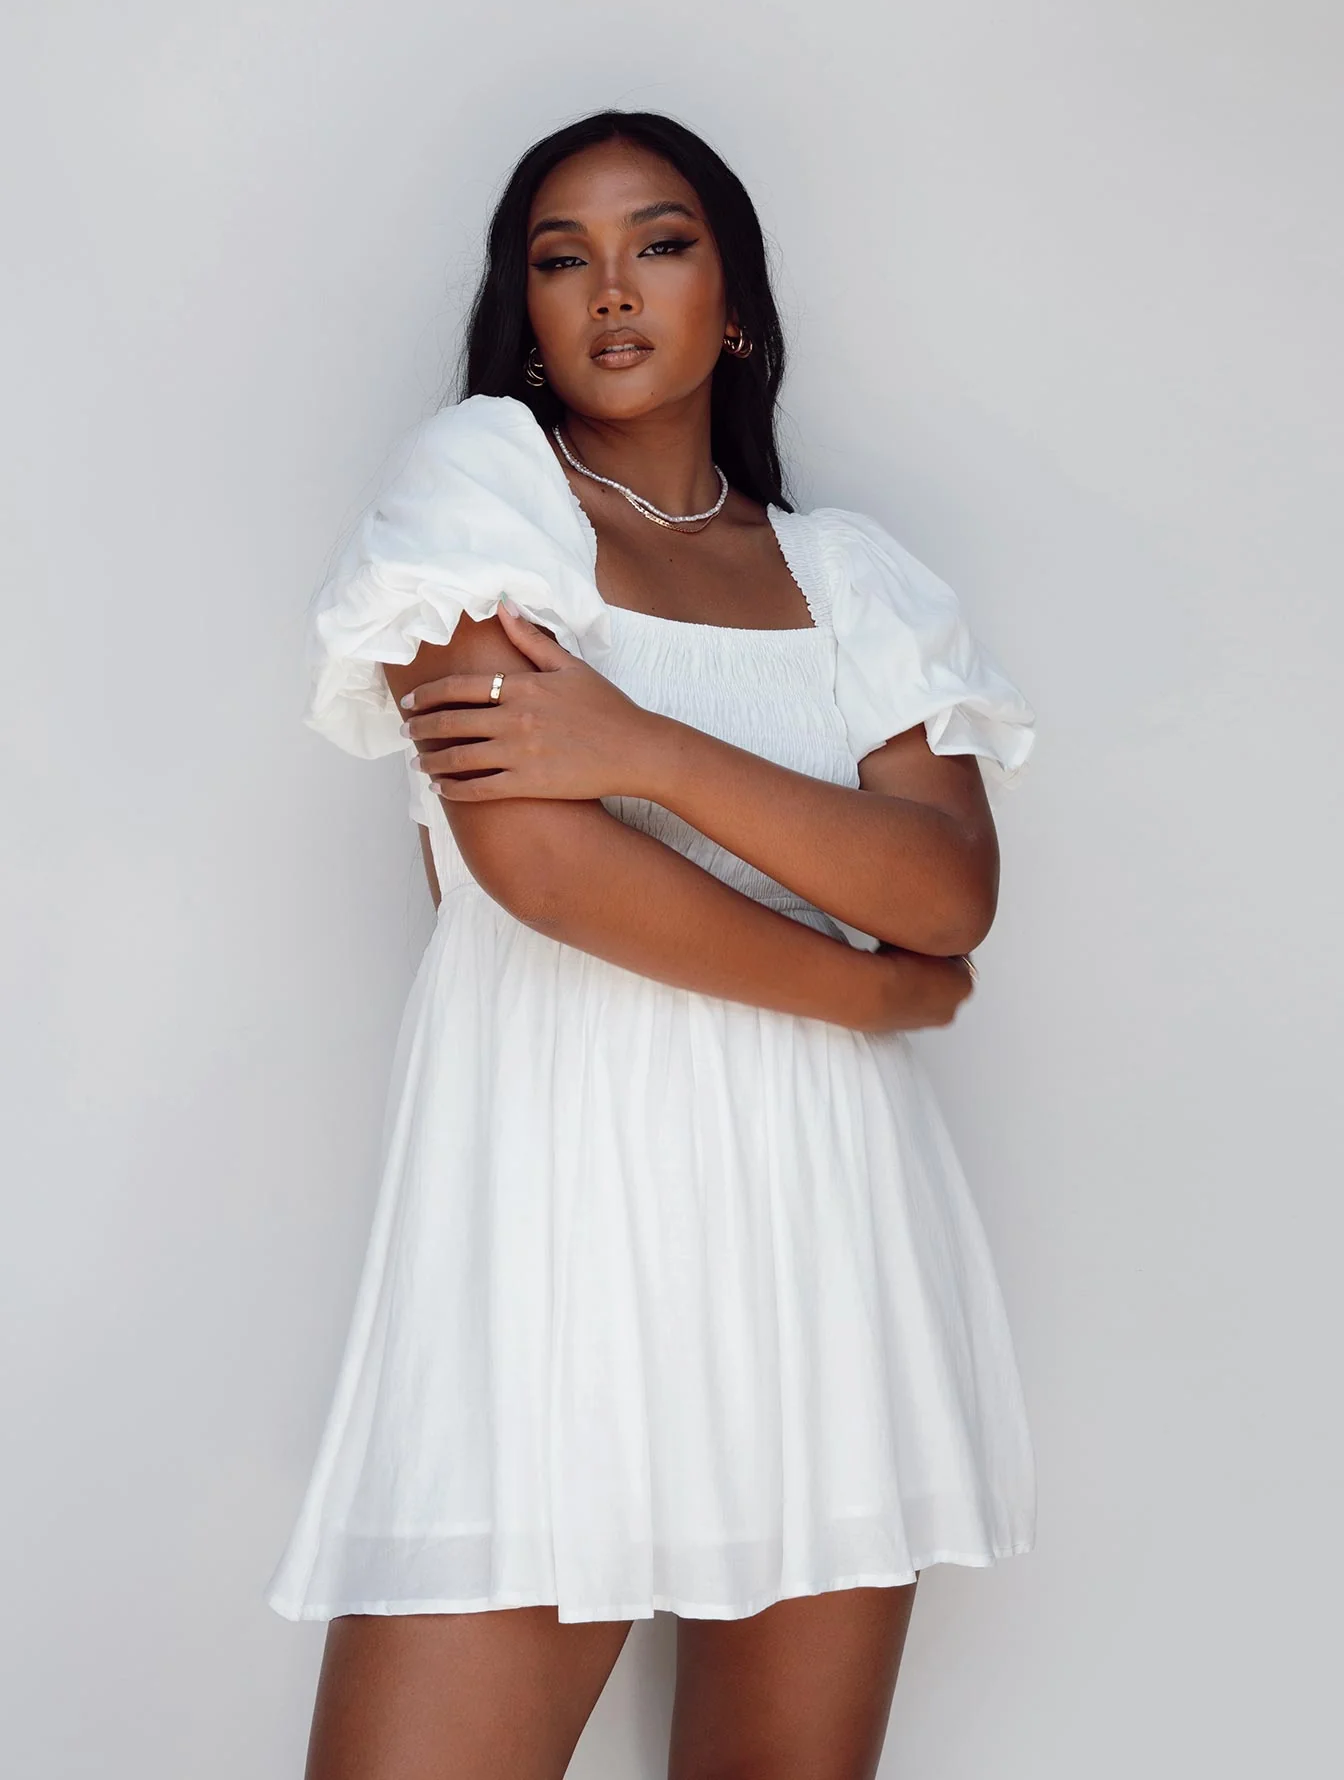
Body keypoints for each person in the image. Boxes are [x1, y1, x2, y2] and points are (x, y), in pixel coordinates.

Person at [266, 108, 1038, 1780]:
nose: (612, 288)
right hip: (548, 1218)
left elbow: (947, 887)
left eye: (662, 244)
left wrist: (644, 747)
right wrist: (869, 989)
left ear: (734, 302)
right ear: (526, 313)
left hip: (823, 1223)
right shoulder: (483, 493)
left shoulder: (854, 579)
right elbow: (540, 863)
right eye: (564, 259)